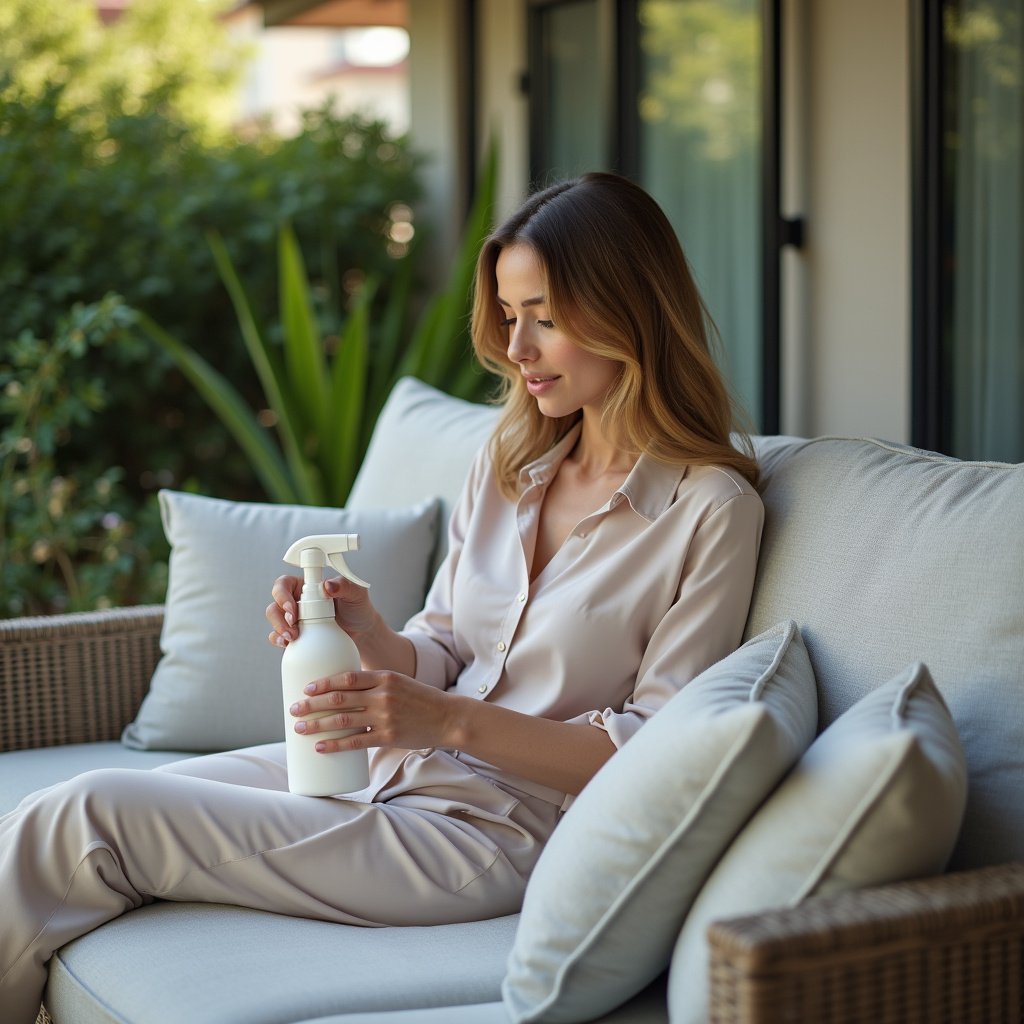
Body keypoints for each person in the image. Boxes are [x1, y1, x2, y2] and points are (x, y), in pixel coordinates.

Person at [0, 172, 763, 1023]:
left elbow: (653, 754)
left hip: (486, 834)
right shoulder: (510, 463)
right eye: (510, 318)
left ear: (631, 310)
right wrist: (367, 632)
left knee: (86, 815)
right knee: (44, 815)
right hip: (384, 767)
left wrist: (446, 724)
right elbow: (444, 644)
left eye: (544, 317)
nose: (517, 350)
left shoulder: (710, 510)